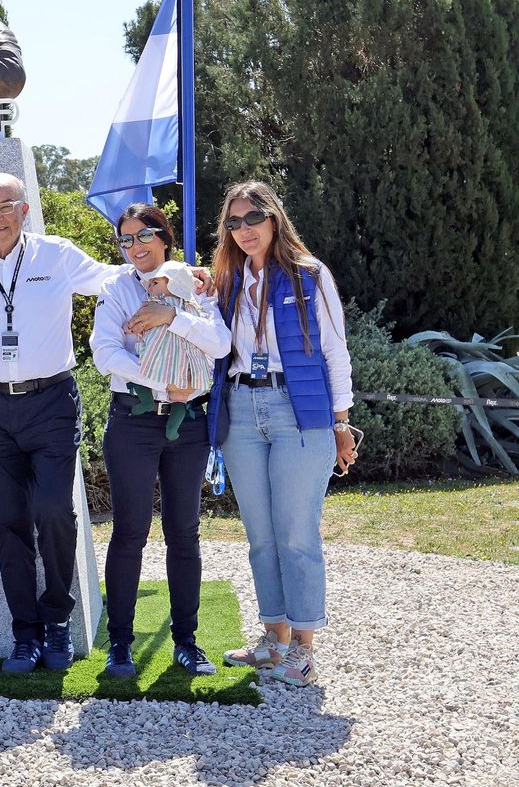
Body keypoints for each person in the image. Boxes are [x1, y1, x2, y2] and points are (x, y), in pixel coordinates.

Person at [0, 172, 118, 674]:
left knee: (55, 510)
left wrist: (169, 275)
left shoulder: (55, 255)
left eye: (5, 206)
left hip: (52, 400)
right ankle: (25, 634)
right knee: (9, 521)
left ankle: (57, 618)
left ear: (24, 209)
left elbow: (111, 279)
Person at [207, 180, 356, 687]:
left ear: (274, 219)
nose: (244, 230)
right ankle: (273, 640)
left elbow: (335, 352)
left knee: (296, 534)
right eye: (234, 222)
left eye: (252, 219)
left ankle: (304, 649)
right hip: (241, 409)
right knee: (261, 536)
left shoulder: (309, 275)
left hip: (297, 410)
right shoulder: (227, 279)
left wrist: (341, 422)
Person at [89, 203, 230, 680]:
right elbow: (105, 352)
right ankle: (121, 647)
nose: (134, 247)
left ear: (164, 236)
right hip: (133, 421)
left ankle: (187, 643)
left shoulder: (193, 283)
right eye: (125, 240)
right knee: (129, 532)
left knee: (184, 534)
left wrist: (170, 316)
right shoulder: (115, 289)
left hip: (187, 425)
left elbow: (220, 344)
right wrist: (159, 379)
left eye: (143, 235)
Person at [128, 259, 218, 441]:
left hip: (162, 355)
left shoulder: (152, 304)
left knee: (145, 373)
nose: (150, 287)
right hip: (187, 365)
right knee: (180, 397)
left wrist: (130, 327)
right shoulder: (191, 307)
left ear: (173, 284)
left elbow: (138, 322)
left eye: (155, 282)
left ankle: (146, 400)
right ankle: (172, 429)